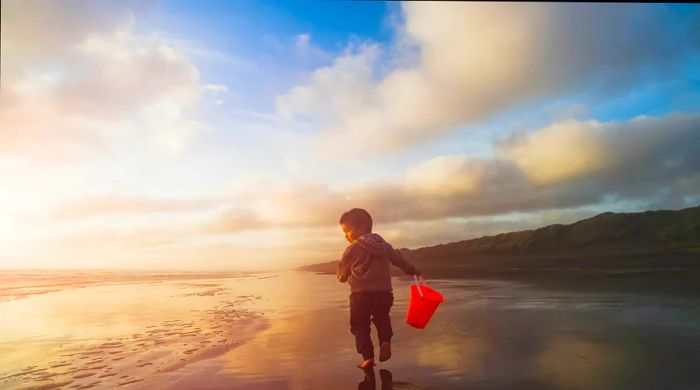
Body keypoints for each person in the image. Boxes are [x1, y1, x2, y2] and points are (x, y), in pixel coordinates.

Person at [337, 208, 421, 369]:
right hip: (384, 294)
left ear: (361, 228)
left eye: (348, 230)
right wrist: (412, 270)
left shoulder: (353, 248)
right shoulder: (384, 245)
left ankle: (368, 357)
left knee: (359, 326)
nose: (346, 235)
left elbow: (341, 274)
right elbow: (398, 259)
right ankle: (385, 341)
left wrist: (342, 275)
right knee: (382, 318)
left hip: (360, 296)